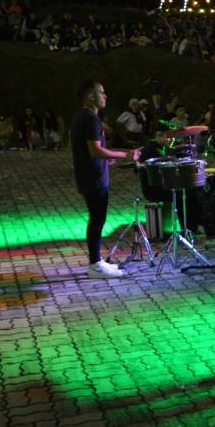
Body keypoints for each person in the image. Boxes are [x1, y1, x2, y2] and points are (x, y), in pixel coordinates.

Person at [71, 80, 140, 279]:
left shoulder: (81, 117)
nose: (105, 96)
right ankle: (95, 265)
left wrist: (106, 158)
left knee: (97, 219)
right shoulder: (91, 119)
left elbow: (89, 150)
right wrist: (124, 155)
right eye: (102, 93)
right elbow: (95, 149)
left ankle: (97, 261)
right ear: (90, 96)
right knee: (97, 219)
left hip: (90, 173)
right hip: (93, 178)